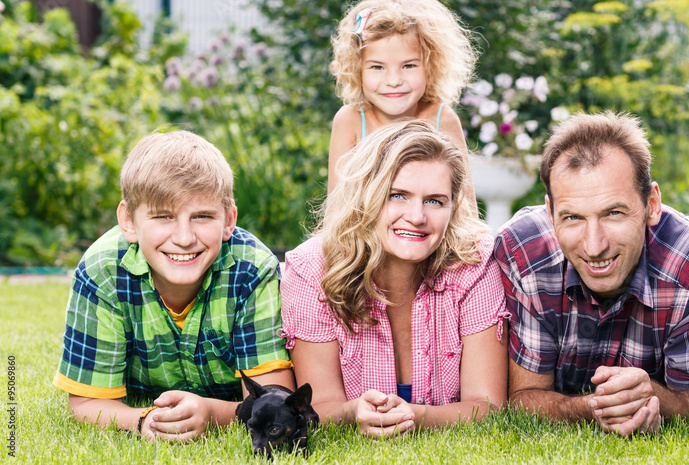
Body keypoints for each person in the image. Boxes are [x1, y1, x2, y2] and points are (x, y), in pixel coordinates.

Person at [494, 111, 689, 437]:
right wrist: (595, 407)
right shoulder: (523, 253)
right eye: (573, 218)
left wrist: (652, 396)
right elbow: (524, 396)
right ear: (550, 213)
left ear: (651, 204)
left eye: (613, 213)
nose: (594, 247)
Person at [52, 130, 293, 441]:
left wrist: (211, 413)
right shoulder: (103, 272)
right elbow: (86, 403)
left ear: (229, 220)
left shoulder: (253, 269)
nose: (184, 238)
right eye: (163, 216)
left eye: (202, 216)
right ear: (128, 221)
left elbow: (275, 402)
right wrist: (146, 420)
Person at [280, 120, 507, 438]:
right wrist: (352, 412)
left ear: (453, 207)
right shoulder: (312, 270)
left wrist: (418, 415)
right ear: (365, 197)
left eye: (435, 201)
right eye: (397, 195)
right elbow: (317, 407)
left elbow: (488, 406)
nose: (417, 217)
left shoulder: (474, 263)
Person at [327, 0, 476, 194]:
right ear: (357, 70)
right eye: (377, 67)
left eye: (408, 66)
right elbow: (336, 205)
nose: (394, 80)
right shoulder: (350, 120)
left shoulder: (443, 119)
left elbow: (465, 205)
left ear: (431, 67)